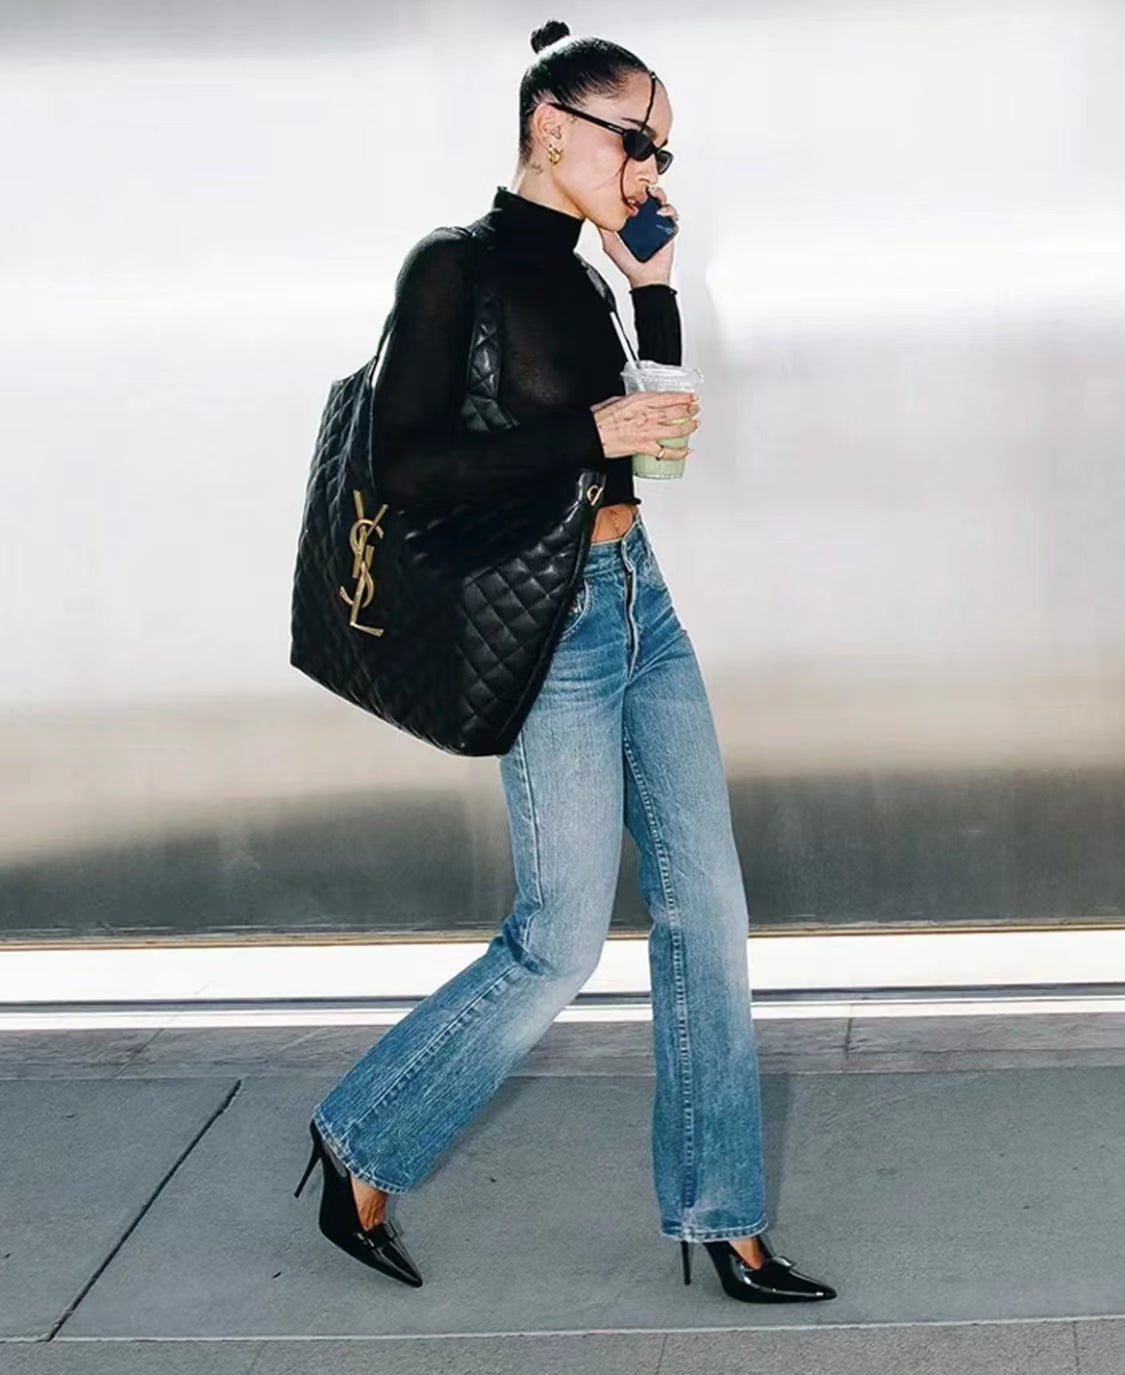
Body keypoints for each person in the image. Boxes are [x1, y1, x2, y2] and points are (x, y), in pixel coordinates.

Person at [294, 19, 837, 1306]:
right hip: (552, 625)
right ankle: (360, 1134)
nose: (650, 171)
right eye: (636, 142)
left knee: (708, 912)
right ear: (552, 128)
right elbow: (406, 466)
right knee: (558, 939)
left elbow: (646, 453)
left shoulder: (591, 278)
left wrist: (651, 289)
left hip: (640, 600)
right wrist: (591, 427)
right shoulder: (453, 267)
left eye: (663, 152)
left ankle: (725, 1218)